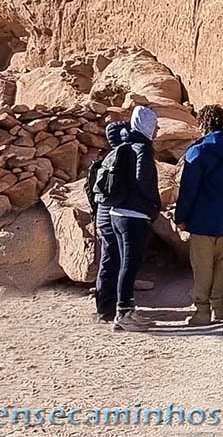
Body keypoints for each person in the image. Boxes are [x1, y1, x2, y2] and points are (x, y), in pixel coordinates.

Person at [176, 105, 223, 326]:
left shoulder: (199, 150)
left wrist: (181, 216)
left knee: (203, 266)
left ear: (203, 123)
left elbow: (188, 188)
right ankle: (220, 307)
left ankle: (202, 311)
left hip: (202, 219)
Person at [110, 105, 161, 333]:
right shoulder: (142, 148)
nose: (157, 130)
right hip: (134, 215)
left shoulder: (126, 143)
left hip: (118, 213)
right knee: (130, 265)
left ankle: (127, 310)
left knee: (125, 265)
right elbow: (144, 181)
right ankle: (123, 314)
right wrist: (154, 205)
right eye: (155, 126)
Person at [92, 120, 129, 323]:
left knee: (110, 262)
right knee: (112, 262)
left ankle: (106, 306)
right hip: (112, 217)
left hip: (103, 217)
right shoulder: (119, 157)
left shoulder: (109, 157)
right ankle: (107, 308)